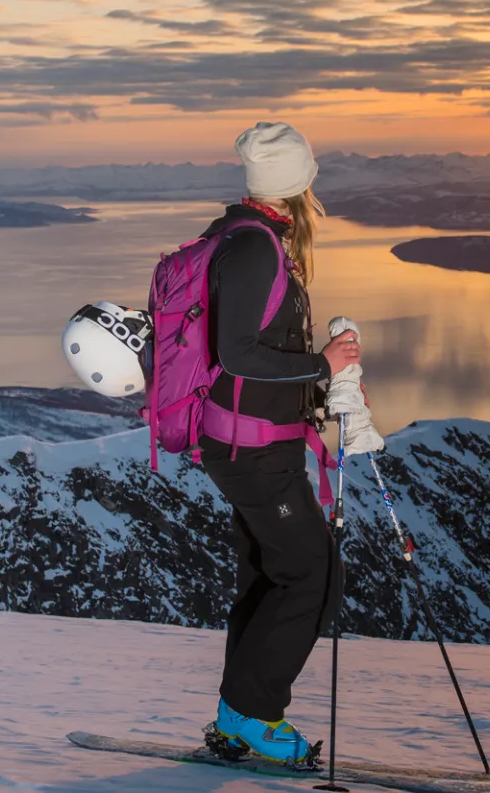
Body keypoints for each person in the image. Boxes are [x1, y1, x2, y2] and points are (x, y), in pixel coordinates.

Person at [201, 122, 361, 765]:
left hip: (252, 444)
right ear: (299, 183)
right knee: (312, 577)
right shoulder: (255, 249)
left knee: (271, 576)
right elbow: (235, 354)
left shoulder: (243, 237)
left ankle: (237, 711)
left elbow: (254, 352)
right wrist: (322, 367)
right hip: (255, 453)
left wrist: (321, 386)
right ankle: (255, 716)